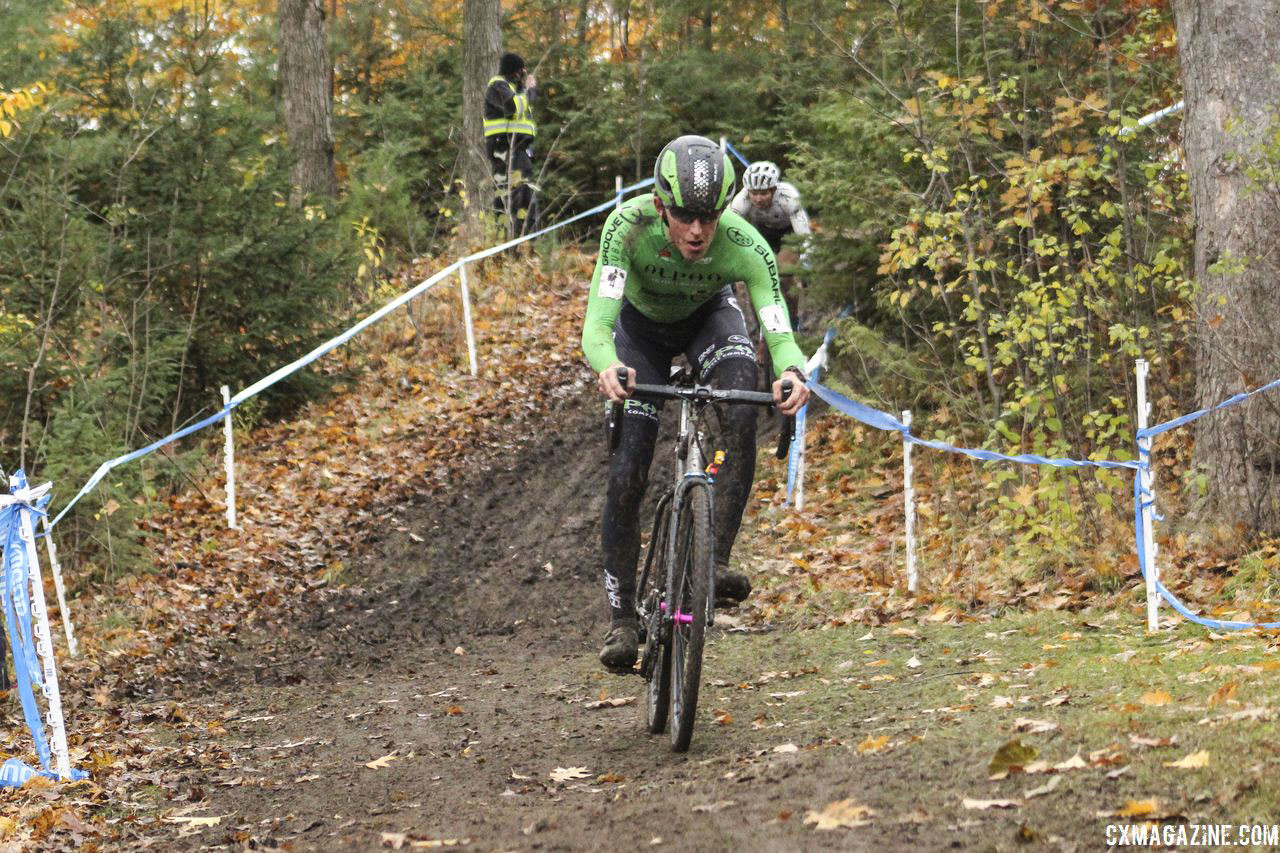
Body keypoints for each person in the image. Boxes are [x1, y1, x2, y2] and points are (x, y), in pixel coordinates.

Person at [581, 135, 811, 671]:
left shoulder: (744, 243)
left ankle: (717, 561)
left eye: (707, 217)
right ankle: (621, 620)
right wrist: (606, 364)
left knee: (741, 402)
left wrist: (792, 370)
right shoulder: (627, 226)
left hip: (709, 320)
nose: (697, 231)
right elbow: (598, 322)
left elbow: (776, 323)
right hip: (639, 334)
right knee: (629, 467)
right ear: (661, 205)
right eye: (684, 216)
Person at [730, 161, 811, 330]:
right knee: (756, 277)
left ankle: (793, 318)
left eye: (764, 193)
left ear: (774, 190)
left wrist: (805, 262)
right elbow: (729, 229)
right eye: (754, 193)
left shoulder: (788, 197)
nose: (758, 199)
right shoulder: (742, 200)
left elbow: (804, 234)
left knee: (784, 275)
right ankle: (760, 325)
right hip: (762, 233)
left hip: (788, 234)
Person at [483, 52, 539, 235]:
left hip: (518, 149)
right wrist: (529, 90)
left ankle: (527, 242)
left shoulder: (514, 88)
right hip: (505, 148)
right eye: (521, 70)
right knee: (512, 197)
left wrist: (525, 90)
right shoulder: (498, 85)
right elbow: (513, 108)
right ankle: (510, 243)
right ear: (513, 71)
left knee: (524, 196)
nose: (523, 73)